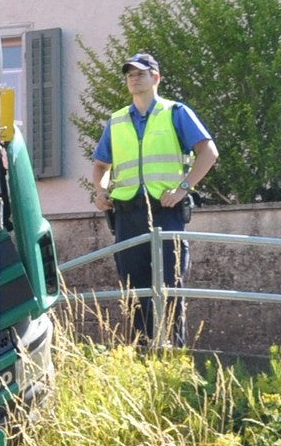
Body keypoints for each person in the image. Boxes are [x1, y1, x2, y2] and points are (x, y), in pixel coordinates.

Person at [86, 53, 219, 343]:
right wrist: (100, 190)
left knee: (169, 286)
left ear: (155, 78)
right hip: (127, 214)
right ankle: (143, 350)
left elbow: (209, 152)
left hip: (165, 211)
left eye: (140, 73)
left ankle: (172, 351)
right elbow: (100, 166)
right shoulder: (117, 120)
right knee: (134, 288)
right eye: (130, 74)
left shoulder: (175, 112)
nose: (134, 78)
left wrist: (184, 188)